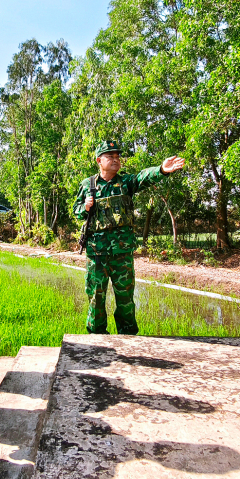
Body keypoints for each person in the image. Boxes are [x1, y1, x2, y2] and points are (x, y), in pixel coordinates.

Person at [72, 140, 185, 335]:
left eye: (117, 156)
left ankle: (128, 338)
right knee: (95, 297)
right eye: (110, 156)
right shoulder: (88, 185)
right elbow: (77, 211)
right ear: (99, 160)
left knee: (125, 299)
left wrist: (161, 170)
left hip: (122, 253)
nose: (115, 159)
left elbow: (143, 178)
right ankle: (96, 338)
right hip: (97, 254)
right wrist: (86, 207)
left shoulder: (125, 182)